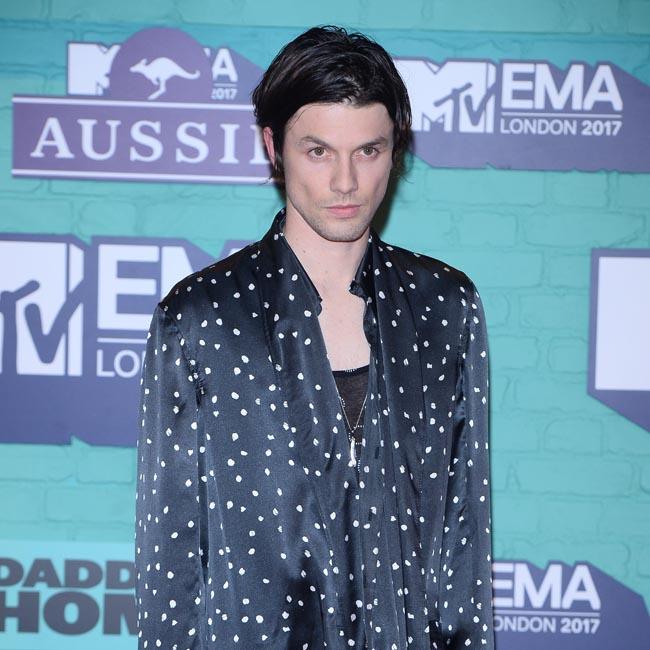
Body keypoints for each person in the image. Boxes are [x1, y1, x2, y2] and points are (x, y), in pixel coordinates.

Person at [135, 25, 494, 650]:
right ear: (273, 147)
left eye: (369, 150)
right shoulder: (201, 317)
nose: (346, 182)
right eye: (319, 151)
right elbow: (171, 559)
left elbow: (464, 540)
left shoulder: (444, 308)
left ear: (396, 150)